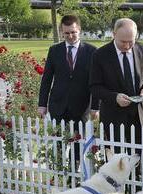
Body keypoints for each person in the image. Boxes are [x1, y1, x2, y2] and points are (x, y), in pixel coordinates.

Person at [38, 15, 98, 168]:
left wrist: (95, 106)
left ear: (79, 30)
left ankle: (74, 174)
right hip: (58, 106)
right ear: (61, 32)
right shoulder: (54, 50)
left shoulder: (92, 52)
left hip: (81, 107)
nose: (70, 36)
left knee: (78, 145)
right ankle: (59, 173)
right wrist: (42, 104)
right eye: (66, 33)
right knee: (59, 144)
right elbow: (46, 79)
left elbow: (97, 82)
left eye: (73, 32)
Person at [89, 18, 143, 155]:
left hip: (138, 116)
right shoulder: (100, 55)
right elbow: (94, 87)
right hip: (113, 117)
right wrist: (115, 97)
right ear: (114, 34)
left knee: (138, 158)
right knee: (115, 162)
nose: (127, 46)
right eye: (123, 42)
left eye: (131, 41)